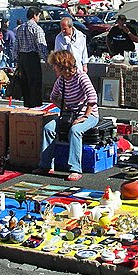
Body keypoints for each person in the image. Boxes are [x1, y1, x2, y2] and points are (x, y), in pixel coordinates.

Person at [35, 50, 98, 182]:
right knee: (48, 128)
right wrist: (64, 108)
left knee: (75, 131)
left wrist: (85, 117)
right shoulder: (61, 80)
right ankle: (45, 165)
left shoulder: (81, 77)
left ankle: (75, 169)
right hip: (69, 115)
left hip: (89, 115)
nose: (53, 68)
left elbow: (92, 98)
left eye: (55, 66)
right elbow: (53, 97)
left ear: (63, 66)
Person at [13, 6, 48, 107]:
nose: (39, 18)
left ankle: (27, 105)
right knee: (35, 83)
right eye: (39, 16)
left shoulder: (20, 28)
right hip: (32, 57)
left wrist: (16, 60)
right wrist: (46, 59)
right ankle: (36, 106)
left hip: (22, 58)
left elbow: (16, 46)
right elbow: (41, 45)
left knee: (25, 84)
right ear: (35, 15)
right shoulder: (36, 28)